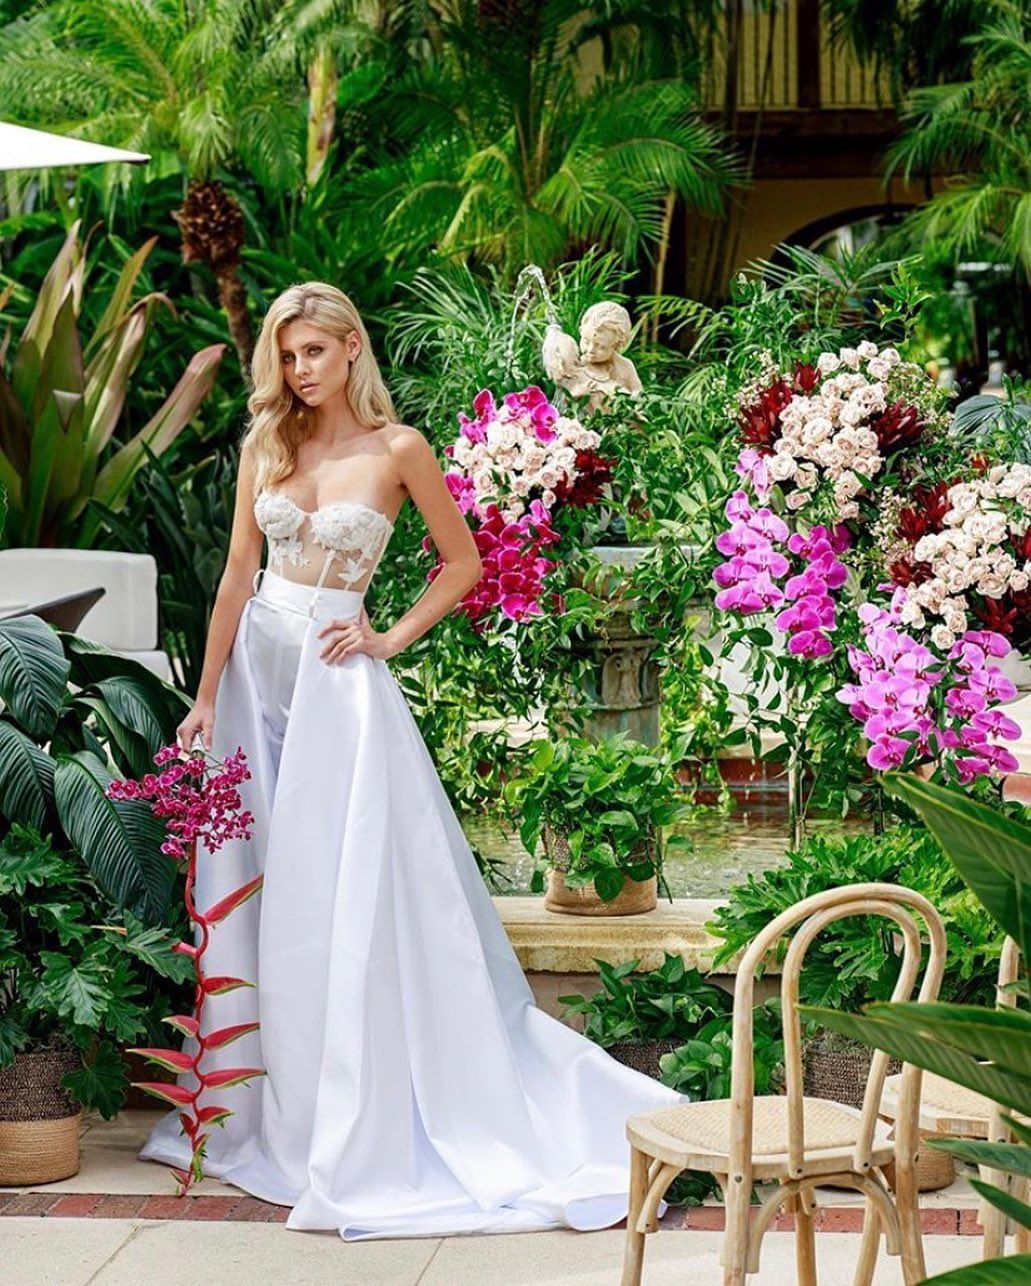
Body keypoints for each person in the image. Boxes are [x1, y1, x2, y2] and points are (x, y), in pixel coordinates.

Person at [138, 282, 684, 1241]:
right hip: (257, 677)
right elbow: (234, 573)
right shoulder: (269, 443)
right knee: (250, 882)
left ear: (351, 347)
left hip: (337, 684)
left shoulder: (399, 450)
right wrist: (207, 694)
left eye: (313, 351)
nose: (299, 370)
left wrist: (388, 637)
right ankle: (266, 1102)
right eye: (287, 355)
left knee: (332, 887)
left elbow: (461, 561)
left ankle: (350, 1104)